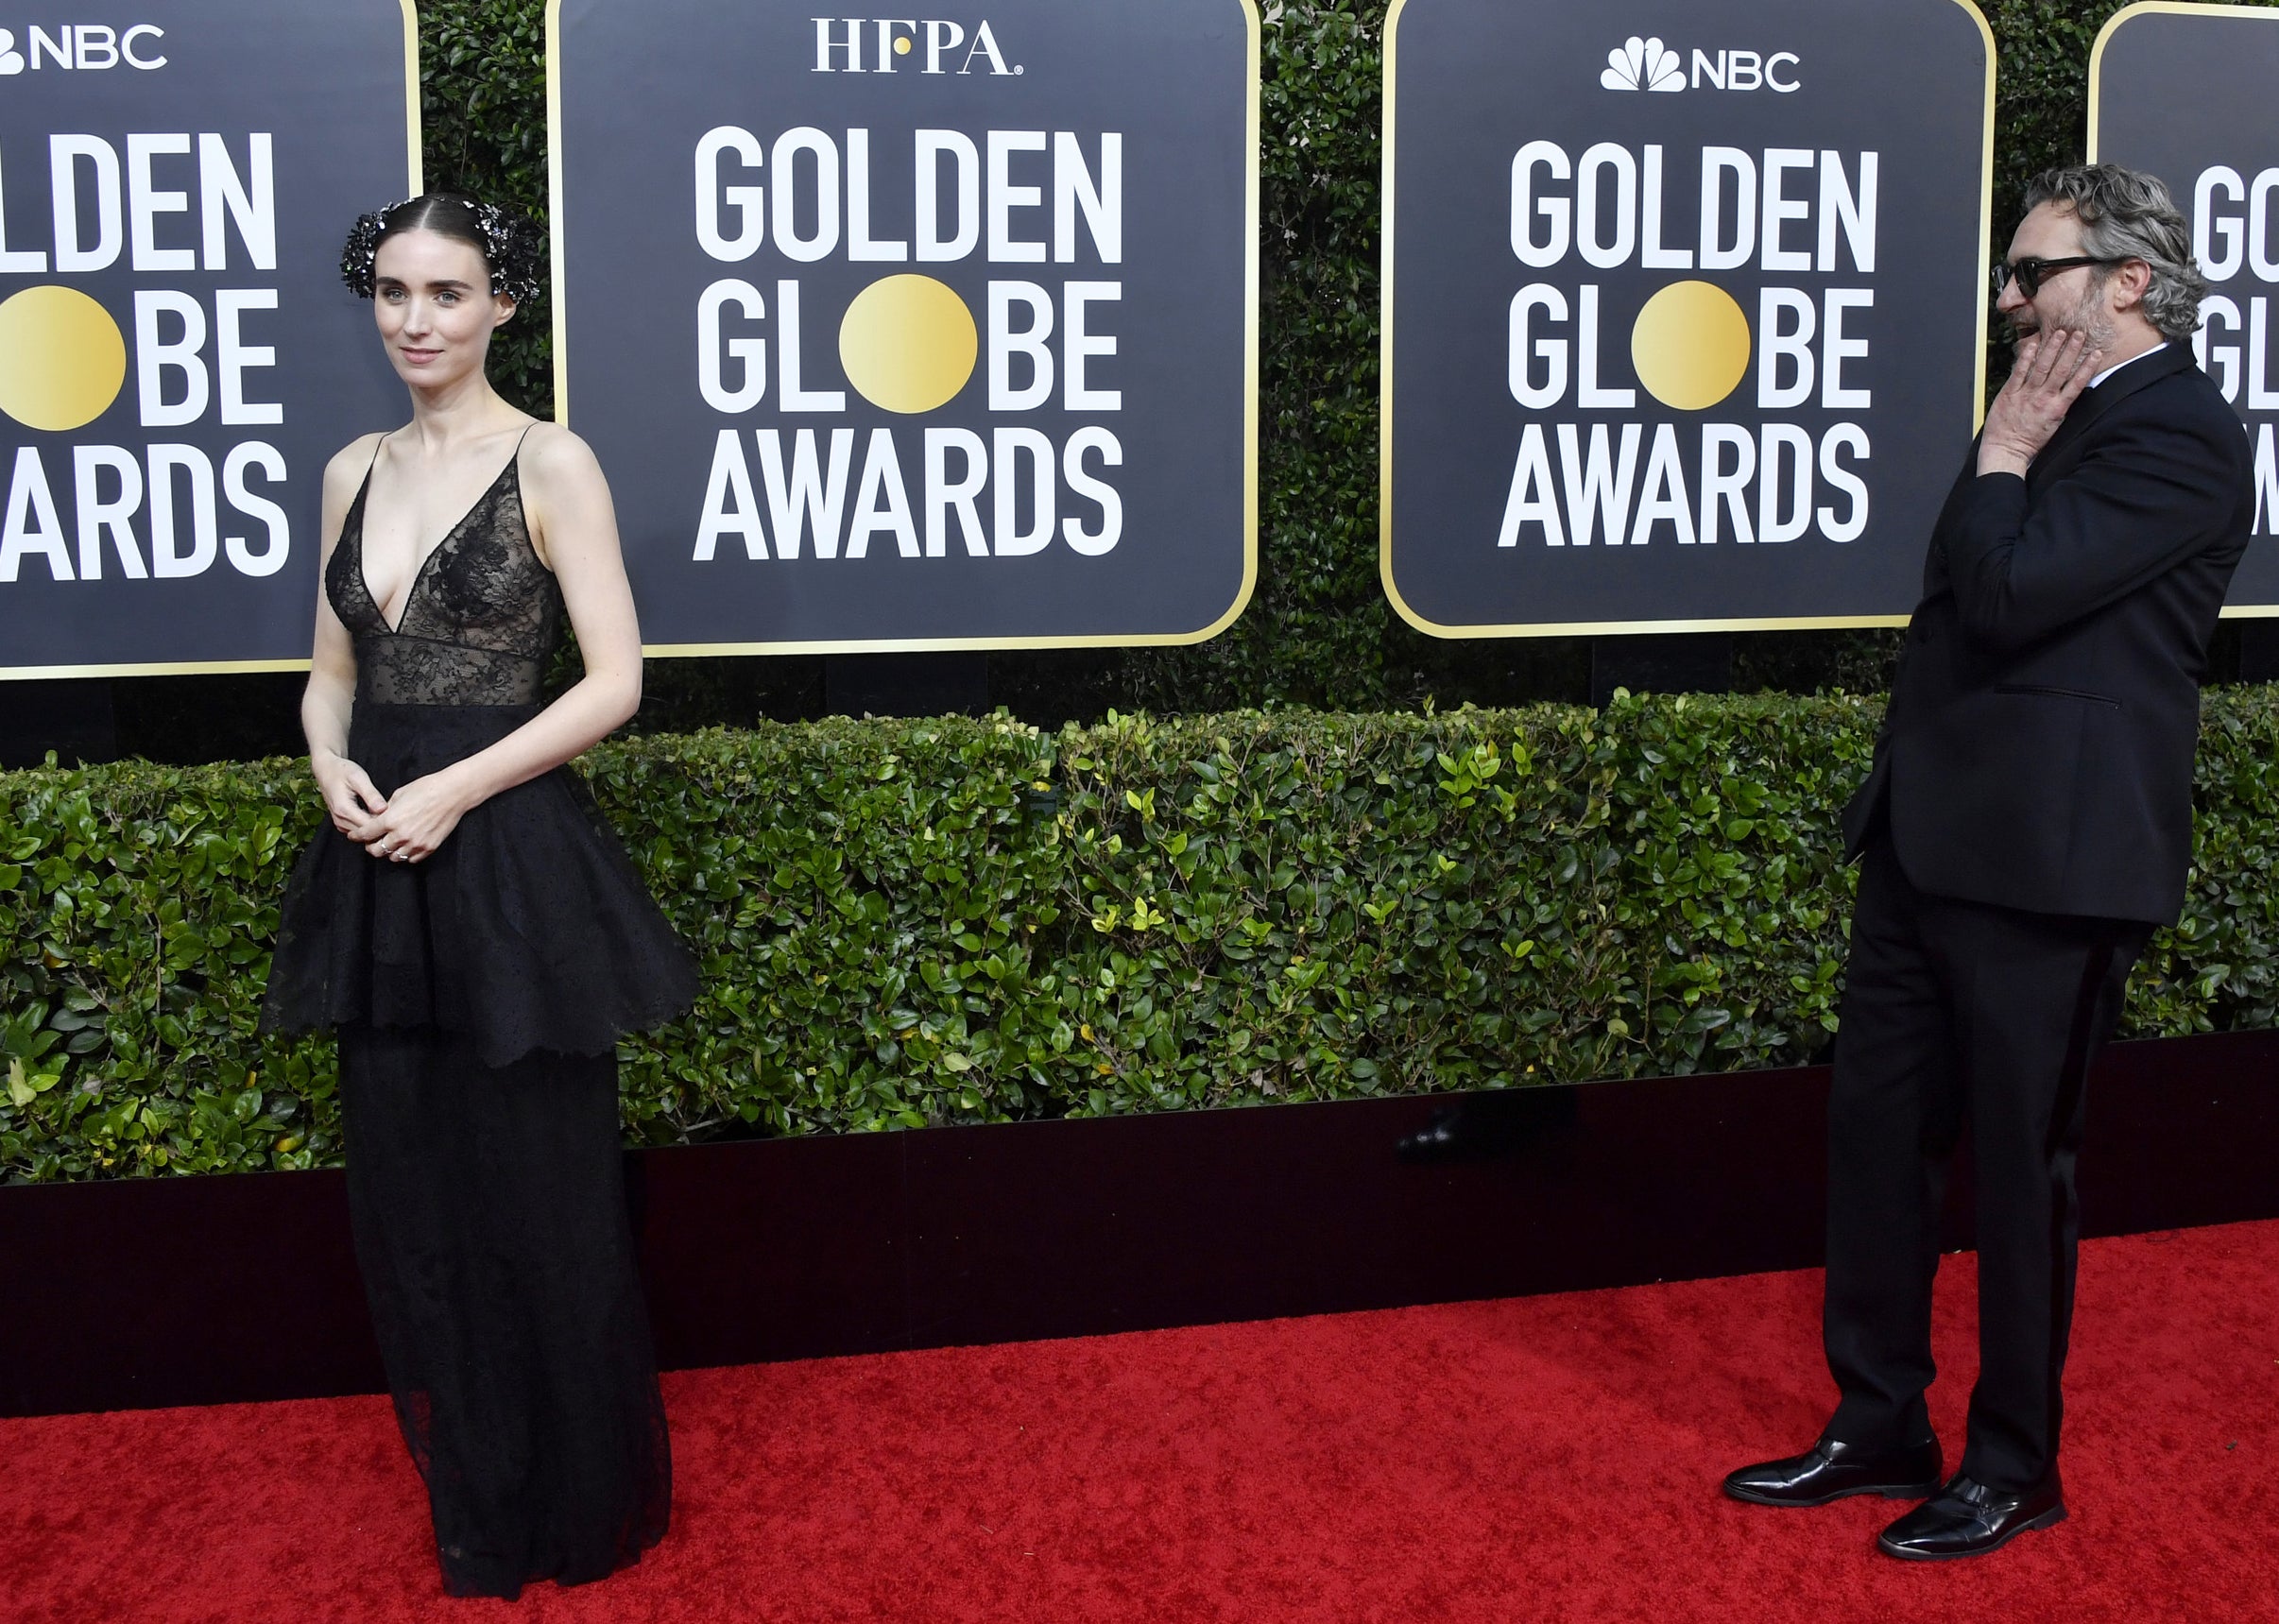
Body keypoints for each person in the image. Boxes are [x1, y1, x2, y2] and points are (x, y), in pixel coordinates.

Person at [1723, 164, 2253, 1560]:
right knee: (1876, 1141)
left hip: (2052, 866)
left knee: (2022, 1171)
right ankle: (1877, 1419)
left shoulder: (2184, 436)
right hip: (1926, 841)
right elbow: (1959, 584)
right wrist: (2011, 452)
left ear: (2128, 282)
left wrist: (2007, 452)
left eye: (2035, 272)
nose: (2009, 298)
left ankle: (2015, 1463)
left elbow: (2007, 594)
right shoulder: (2051, 414)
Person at [260, 194, 698, 1598]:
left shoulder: (551, 461)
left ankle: (575, 1498)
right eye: (393, 292)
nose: (415, 321)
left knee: (539, 1188)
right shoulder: (349, 471)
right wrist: (328, 763)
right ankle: (480, 1490)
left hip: (506, 865)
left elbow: (618, 684)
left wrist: (458, 790)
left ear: (503, 305)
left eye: (447, 294)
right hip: (375, 862)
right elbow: (332, 673)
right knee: (413, 1194)